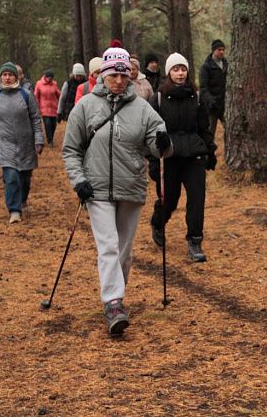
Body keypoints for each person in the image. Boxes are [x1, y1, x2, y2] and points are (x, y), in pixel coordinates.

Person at [62, 47, 171, 336]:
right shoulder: (85, 106)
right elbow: (71, 150)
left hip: (131, 185)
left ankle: (116, 295)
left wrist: (163, 143)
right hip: (95, 188)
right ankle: (113, 302)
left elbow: (159, 144)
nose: (119, 80)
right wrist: (79, 180)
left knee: (124, 250)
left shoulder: (142, 109)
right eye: (113, 75)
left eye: (124, 75)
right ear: (103, 75)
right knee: (108, 245)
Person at [149, 52, 217, 262]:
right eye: (176, 69)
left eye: (183, 69)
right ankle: (158, 222)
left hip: (194, 156)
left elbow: (204, 128)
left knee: (197, 199)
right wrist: (153, 161)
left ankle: (195, 240)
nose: (180, 73)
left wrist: (210, 151)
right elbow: (149, 132)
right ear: (169, 72)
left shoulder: (196, 97)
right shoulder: (158, 98)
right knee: (169, 200)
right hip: (169, 156)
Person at [0, 62, 44, 224]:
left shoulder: (26, 94)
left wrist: (38, 139)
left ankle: (22, 200)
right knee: (11, 177)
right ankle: (14, 210)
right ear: (0, 77)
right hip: (5, 143)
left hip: (25, 143)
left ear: (16, 77)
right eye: (4, 75)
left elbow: (35, 118)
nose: (7, 78)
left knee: (25, 178)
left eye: (10, 75)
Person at [199, 39, 228, 138]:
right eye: (219, 49)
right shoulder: (206, 67)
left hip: (224, 105)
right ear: (213, 50)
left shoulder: (226, 64)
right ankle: (208, 148)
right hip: (211, 107)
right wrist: (211, 101)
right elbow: (203, 87)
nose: (222, 52)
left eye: (223, 49)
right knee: (210, 132)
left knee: (230, 128)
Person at [34, 69, 60, 147]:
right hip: (44, 108)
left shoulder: (54, 84)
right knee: (48, 125)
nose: (50, 79)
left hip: (53, 108)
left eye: (51, 78)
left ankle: (51, 138)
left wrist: (61, 99)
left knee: (53, 125)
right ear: (45, 77)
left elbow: (58, 94)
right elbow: (36, 96)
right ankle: (50, 141)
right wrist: (37, 106)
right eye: (49, 78)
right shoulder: (39, 84)